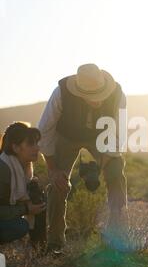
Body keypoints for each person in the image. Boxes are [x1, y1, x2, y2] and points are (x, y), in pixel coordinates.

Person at [38, 63, 127, 252]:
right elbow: (44, 132)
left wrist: (97, 165)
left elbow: (118, 137)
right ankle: (55, 241)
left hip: (100, 138)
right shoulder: (60, 93)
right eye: (90, 97)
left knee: (115, 172)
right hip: (66, 137)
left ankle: (117, 235)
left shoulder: (118, 95)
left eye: (99, 95)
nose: (96, 100)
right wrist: (53, 170)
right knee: (57, 184)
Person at [0, 122, 46, 245]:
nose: (37, 148)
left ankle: (40, 248)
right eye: (30, 144)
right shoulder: (3, 170)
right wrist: (25, 209)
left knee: (39, 200)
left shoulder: (24, 169)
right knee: (19, 226)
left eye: (36, 143)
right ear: (15, 148)